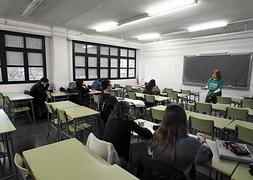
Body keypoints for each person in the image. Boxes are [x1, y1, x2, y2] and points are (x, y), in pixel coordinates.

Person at [152, 104, 213, 177]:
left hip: (157, 176)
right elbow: (208, 155)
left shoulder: (156, 135)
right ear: (184, 121)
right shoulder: (192, 143)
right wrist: (203, 141)